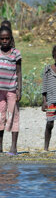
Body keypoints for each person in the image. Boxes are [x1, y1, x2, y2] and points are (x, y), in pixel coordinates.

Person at [0, 26, 22, 155]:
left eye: (7, 38)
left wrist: (19, 89)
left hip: (12, 89)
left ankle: (13, 147)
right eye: (2, 38)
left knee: (14, 116)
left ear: (11, 39)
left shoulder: (16, 53)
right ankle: (0, 146)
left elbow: (18, 71)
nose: (4, 41)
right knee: (0, 117)